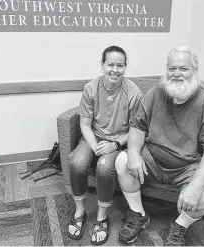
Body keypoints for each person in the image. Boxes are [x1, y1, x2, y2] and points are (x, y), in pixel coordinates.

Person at [115, 46, 204, 246]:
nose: (176, 74)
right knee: (122, 161)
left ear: (195, 70)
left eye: (183, 69)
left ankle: (179, 226)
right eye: (172, 68)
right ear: (166, 70)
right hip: (153, 157)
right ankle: (138, 214)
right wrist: (133, 153)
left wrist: (196, 186)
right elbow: (137, 126)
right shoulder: (155, 92)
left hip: (188, 165)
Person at [67, 45, 143, 245]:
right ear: (102, 65)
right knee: (77, 161)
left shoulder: (133, 92)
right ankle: (80, 211)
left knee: (104, 166)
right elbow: (84, 124)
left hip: (118, 141)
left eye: (120, 65)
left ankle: (102, 217)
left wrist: (115, 144)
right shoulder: (91, 88)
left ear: (125, 67)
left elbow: (136, 130)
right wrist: (94, 146)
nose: (115, 70)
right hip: (93, 136)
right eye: (110, 64)